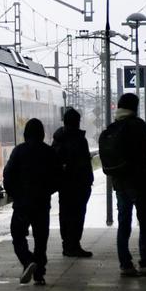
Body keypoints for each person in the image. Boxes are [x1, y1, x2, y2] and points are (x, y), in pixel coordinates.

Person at [106, 93, 146, 278]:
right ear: (135, 107)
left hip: (120, 184)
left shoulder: (113, 127)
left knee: (124, 224)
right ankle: (145, 263)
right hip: (138, 182)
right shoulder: (137, 125)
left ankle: (125, 264)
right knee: (145, 223)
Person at [3, 118, 60, 285]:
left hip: (22, 204)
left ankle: (28, 261)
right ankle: (39, 274)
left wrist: (15, 195)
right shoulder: (49, 152)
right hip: (42, 203)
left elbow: (8, 176)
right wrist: (47, 191)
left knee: (18, 235)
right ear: (42, 134)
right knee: (41, 239)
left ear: (25, 134)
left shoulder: (18, 151)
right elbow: (58, 178)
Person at [52, 107, 94, 257]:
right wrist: (88, 181)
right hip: (79, 185)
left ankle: (67, 245)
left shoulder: (57, 139)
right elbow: (83, 163)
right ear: (77, 122)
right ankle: (74, 245)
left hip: (64, 185)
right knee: (77, 215)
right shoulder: (78, 139)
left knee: (65, 214)